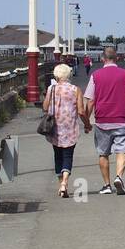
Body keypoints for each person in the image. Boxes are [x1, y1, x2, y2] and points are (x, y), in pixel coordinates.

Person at [82, 45, 125, 195]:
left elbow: (90, 101)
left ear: (102, 59)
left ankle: (107, 185)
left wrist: (87, 122)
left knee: (103, 153)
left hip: (102, 120)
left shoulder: (95, 75)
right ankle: (119, 177)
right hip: (121, 118)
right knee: (122, 151)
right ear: (117, 58)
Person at [42, 62, 84, 198]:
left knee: (57, 155)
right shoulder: (75, 89)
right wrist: (87, 124)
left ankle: (61, 184)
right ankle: (65, 183)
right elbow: (81, 110)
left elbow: (45, 107)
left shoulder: (51, 89)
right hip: (70, 127)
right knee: (68, 155)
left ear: (56, 75)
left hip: (55, 127)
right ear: (68, 74)